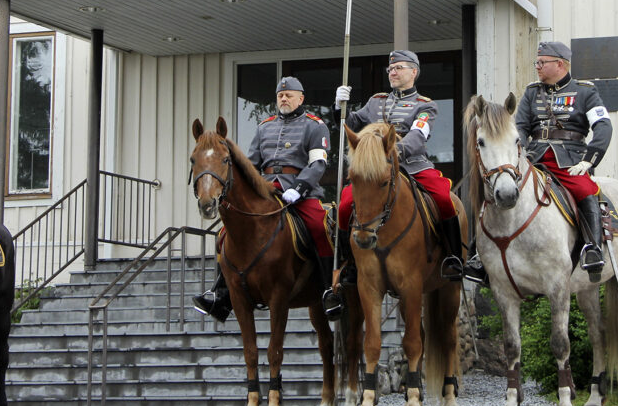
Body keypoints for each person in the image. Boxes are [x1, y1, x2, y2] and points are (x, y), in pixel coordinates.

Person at [192, 77, 342, 322]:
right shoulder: (265, 126)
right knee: (224, 234)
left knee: (319, 225)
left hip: (300, 192)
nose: (283, 98)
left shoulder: (315, 125)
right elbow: (250, 164)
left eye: (289, 95)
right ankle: (221, 293)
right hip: (266, 188)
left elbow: (317, 164)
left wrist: (300, 187)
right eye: (280, 95)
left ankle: (327, 289)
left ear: (300, 98)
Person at [465, 40, 611, 284]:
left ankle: (592, 248)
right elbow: (520, 128)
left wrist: (588, 160)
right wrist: (514, 156)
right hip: (534, 158)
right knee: (498, 190)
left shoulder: (585, 92)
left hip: (570, 160)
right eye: (537, 62)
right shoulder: (532, 92)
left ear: (560, 64)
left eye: (542, 63)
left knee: (586, 189)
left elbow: (603, 127)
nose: (538, 67)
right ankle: (478, 255)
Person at [334, 50, 464, 281]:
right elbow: (353, 123)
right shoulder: (376, 101)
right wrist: (339, 107)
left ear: (414, 72)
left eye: (398, 68)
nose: (392, 72)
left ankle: (454, 257)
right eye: (390, 69)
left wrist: (393, 153)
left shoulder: (425, 105)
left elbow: (418, 136)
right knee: (345, 205)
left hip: (412, 164)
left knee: (444, 199)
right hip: (375, 169)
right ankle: (348, 263)